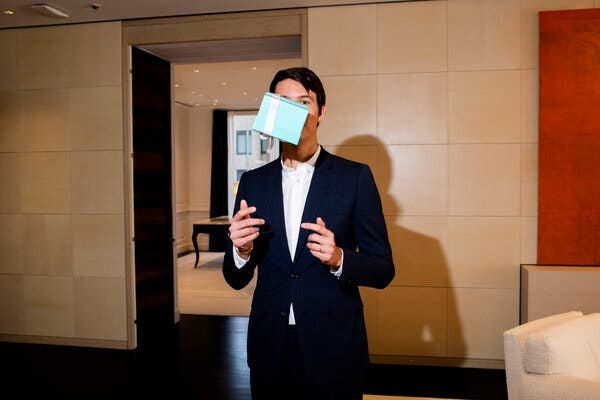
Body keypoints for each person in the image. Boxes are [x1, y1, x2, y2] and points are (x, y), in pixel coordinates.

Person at [223, 67, 395, 400]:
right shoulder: (253, 183)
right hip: (269, 346)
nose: (294, 111)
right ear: (272, 112)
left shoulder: (354, 178)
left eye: (304, 102)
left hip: (334, 347)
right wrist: (240, 252)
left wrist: (339, 257)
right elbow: (235, 278)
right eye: (283, 102)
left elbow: (383, 269)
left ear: (320, 113)